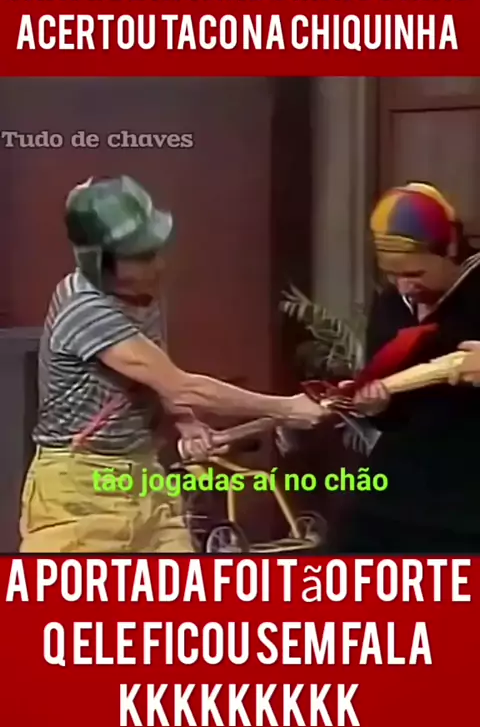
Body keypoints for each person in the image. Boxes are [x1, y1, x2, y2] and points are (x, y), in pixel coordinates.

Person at [20, 176, 325, 553]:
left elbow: (158, 377)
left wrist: (185, 421)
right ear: (101, 262)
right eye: (143, 256)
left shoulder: (141, 292)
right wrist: (286, 408)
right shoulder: (86, 310)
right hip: (80, 491)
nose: (159, 265)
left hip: (144, 478)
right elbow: (182, 387)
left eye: (156, 250)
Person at [330, 181, 480, 554]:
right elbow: (392, 415)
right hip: (400, 482)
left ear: (449, 247)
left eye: (415, 273)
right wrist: (377, 406)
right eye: (393, 275)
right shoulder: (390, 305)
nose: (405, 286)